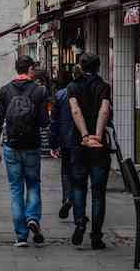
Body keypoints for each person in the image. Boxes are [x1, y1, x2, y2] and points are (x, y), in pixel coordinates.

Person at [0, 55, 49, 247]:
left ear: (17, 69)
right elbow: (43, 122)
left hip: (11, 146)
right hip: (32, 146)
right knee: (33, 184)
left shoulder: (4, 91)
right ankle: (32, 217)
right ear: (30, 69)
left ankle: (21, 236)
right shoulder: (40, 91)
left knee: (16, 189)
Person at [67, 52, 112, 249]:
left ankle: (79, 222)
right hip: (99, 148)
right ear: (98, 67)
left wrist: (85, 136)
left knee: (78, 187)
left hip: (79, 145)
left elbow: (75, 110)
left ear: (81, 66)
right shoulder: (104, 86)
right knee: (98, 192)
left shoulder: (72, 87)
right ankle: (96, 236)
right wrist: (97, 137)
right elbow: (104, 110)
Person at [50, 75, 76, 220]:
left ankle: (67, 198)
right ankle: (79, 208)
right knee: (80, 174)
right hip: (84, 141)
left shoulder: (60, 95)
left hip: (66, 140)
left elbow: (54, 121)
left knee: (66, 172)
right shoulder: (84, 92)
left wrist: (53, 144)